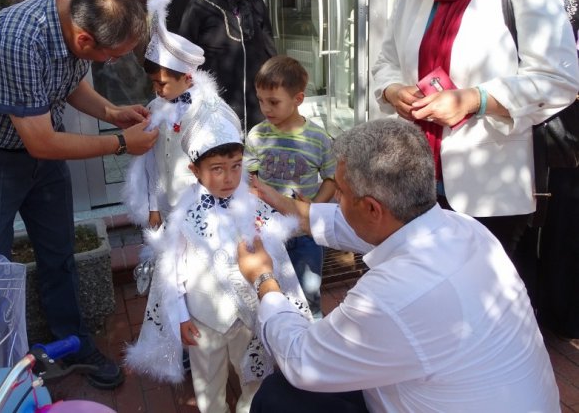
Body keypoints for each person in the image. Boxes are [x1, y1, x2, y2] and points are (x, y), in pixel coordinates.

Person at [237, 118, 560, 412]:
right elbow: (353, 225)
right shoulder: (464, 229)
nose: (336, 199)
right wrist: (283, 204)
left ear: (373, 208)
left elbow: (302, 360)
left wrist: (264, 278)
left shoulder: (392, 294)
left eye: (342, 192)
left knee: (279, 398)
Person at [0, 0, 158, 390]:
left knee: (59, 253)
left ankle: (71, 342)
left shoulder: (76, 15)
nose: (112, 64)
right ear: (84, 38)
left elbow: (71, 81)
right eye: (111, 57)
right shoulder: (18, 41)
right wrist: (119, 143)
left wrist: (111, 112)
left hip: (41, 156)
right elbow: (40, 141)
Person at [371, 0, 579, 257]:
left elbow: (558, 79)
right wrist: (392, 90)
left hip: (487, 190)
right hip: (414, 178)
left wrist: (474, 99)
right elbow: (385, 63)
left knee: (479, 303)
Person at [124, 94, 311, 413]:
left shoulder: (250, 201)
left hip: (247, 314)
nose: (228, 178)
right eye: (217, 169)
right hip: (203, 318)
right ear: (194, 170)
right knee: (207, 382)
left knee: (253, 377)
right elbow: (173, 270)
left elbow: (277, 240)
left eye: (236, 166)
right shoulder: (185, 215)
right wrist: (181, 316)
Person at [511, 0, 579, 338]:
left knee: (564, 238)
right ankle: (525, 318)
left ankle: (560, 317)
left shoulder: (573, 18)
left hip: (568, 154)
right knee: (520, 236)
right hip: (522, 146)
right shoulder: (508, 21)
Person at [244, 56, 336, 318]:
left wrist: (315, 206)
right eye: (261, 100)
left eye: (273, 102)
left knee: (310, 294)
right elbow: (250, 177)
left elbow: (332, 177)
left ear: (298, 99)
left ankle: (313, 339)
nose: (266, 109)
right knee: (274, 292)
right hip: (270, 232)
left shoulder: (318, 138)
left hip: (307, 233)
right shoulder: (257, 135)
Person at [124, 0, 216, 230]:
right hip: (167, 204)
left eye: (162, 83)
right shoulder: (155, 109)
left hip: (200, 205)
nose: (157, 90)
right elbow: (151, 162)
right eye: (153, 83)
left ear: (187, 77)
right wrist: (153, 206)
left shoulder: (206, 110)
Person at [179, 0, 277, 133]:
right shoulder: (200, 6)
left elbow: (270, 52)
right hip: (216, 109)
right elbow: (184, 60)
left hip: (257, 107)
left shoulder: (256, 5)